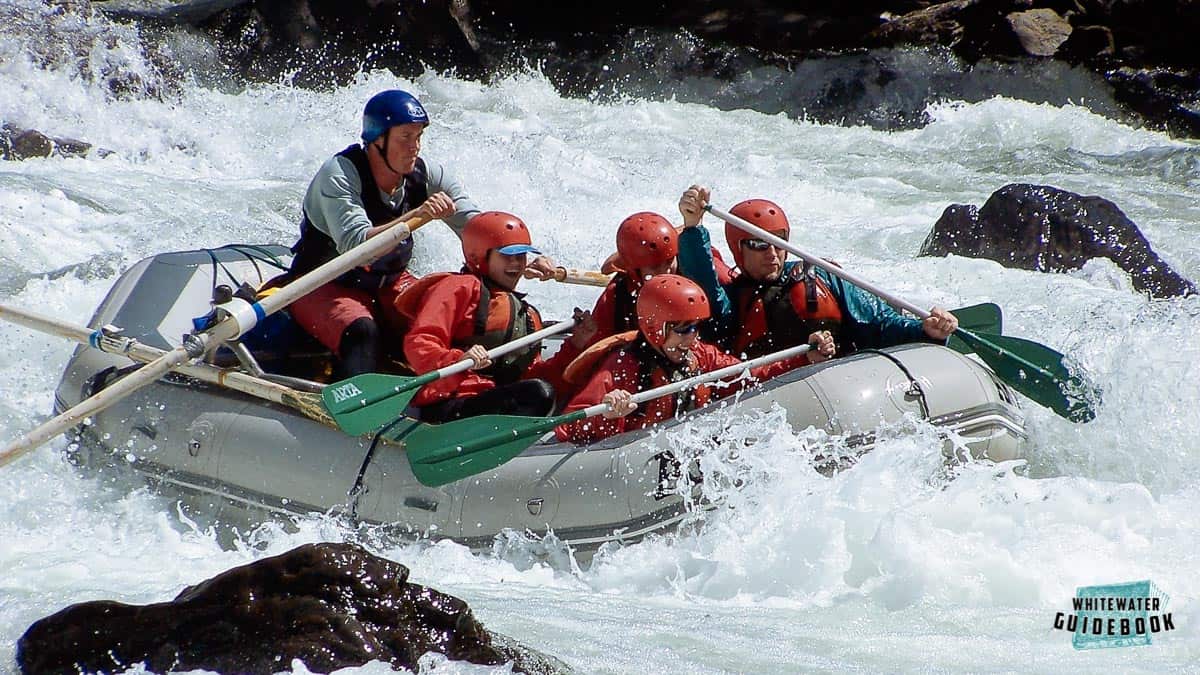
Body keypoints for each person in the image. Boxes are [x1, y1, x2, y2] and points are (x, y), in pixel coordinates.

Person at [287, 89, 555, 379]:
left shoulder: (426, 175)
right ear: (378, 139)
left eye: (418, 137)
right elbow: (356, 246)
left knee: (442, 320)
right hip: (322, 284)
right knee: (362, 330)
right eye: (405, 137)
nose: (414, 147)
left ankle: (462, 397)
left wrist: (520, 255)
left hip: (388, 283)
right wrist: (416, 215)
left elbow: (479, 228)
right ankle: (348, 409)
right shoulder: (339, 174)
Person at [675, 185, 958, 359]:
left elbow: (879, 324)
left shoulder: (821, 276)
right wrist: (693, 226)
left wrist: (924, 330)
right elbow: (704, 290)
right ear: (738, 250)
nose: (773, 253)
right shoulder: (733, 300)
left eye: (779, 241)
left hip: (841, 380)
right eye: (760, 244)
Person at [554, 274, 835, 443]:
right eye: (682, 329)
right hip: (634, 456)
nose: (691, 337)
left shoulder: (699, 354)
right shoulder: (624, 366)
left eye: (695, 327)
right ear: (655, 328)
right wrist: (610, 414)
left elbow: (749, 375)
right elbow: (568, 427)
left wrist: (804, 357)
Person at [402, 211, 596, 423]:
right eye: (506, 255)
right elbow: (419, 342)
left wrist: (576, 345)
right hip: (448, 402)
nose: (516, 263)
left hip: (493, 401)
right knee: (539, 393)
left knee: (541, 392)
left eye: (521, 256)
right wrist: (458, 359)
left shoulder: (528, 314)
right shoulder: (458, 287)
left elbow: (532, 376)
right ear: (479, 256)